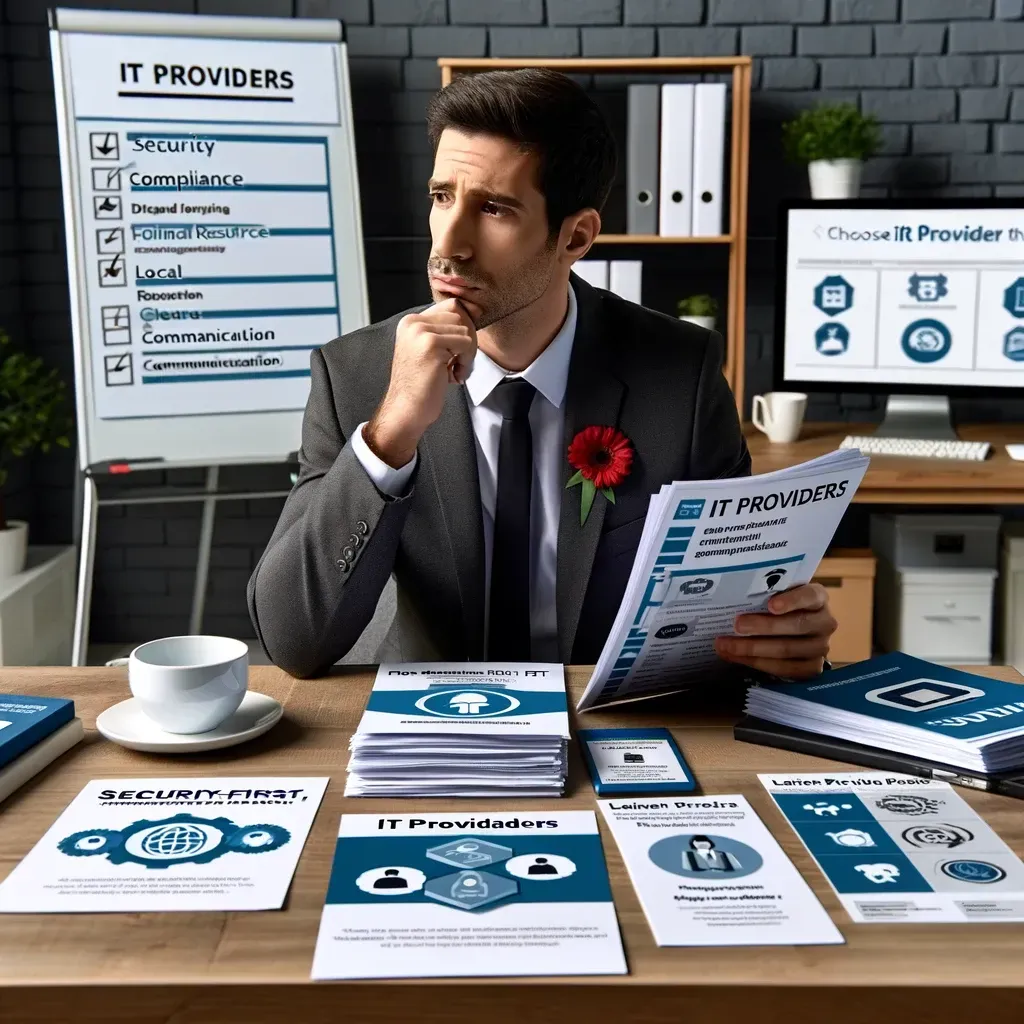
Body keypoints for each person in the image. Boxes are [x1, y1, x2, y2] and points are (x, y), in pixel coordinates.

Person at [247, 69, 838, 679]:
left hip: (607, 725)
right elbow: (294, 643)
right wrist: (390, 433)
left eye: (494, 209)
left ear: (576, 235)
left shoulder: (681, 378)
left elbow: (736, 605)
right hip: (432, 723)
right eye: (441, 196)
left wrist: (786, 635)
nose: (448, 243)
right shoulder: (353, 374)